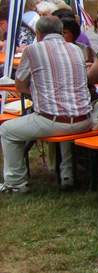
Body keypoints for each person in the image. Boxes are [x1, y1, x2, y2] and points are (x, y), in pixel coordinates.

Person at [0, 16, 92, 193]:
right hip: (85, 121)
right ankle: (68, 176)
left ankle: (15, 183)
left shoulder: (33, 50)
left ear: (39, 33)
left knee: (7, 130)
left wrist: (35, 89)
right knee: (65, 119)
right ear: (60, 31)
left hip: (54, 122)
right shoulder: (76, 49)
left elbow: (19, 86)